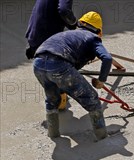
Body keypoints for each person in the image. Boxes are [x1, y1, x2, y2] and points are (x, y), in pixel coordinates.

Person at [33, 11, 112, 141]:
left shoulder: (66, 34)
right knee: (92, 99)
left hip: (38, 63)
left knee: (52, 99)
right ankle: (102, 136)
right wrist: (101, 81)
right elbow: (107, 58)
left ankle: (53, 134)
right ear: (98, 30)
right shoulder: (92, 38)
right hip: (59, 64)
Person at [26, 0, 77, 110]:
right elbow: (64, 10)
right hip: (48, 41)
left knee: (47, 70)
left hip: (34, 34)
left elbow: (40, 11)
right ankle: (58, 98)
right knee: (60, 67)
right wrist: (74, 23)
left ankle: (55, 97)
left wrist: (32, 42)